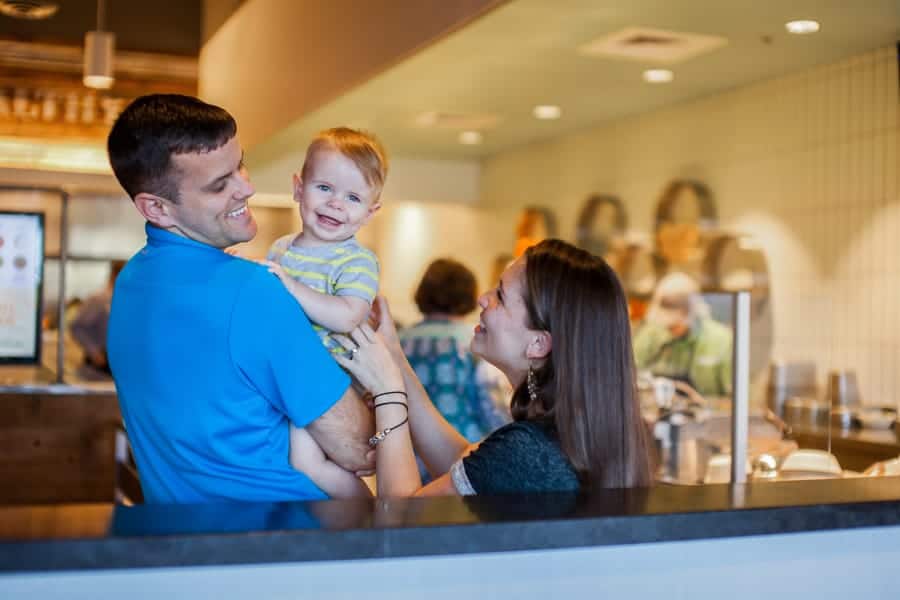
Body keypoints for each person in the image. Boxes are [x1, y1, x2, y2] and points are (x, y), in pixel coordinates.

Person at [105, 94, 373, 504]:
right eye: (220, 184)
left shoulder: (130, 284)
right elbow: (359, 444)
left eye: (240, 166)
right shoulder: (253, 290)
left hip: (185, 540)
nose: (246, 187)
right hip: (285, 541)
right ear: (157, 208)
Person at [336, 239, 653, 497]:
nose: (483, 299)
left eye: (500, 295)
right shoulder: (565, 437)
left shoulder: (527, 452)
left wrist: (389, 392)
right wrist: (393, 355)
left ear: (539, 344)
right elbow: (467, 463)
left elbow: (400, 522)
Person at [262, 127, 386, 498]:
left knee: (306, 462)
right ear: (299, 188)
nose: (336, 204)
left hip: (335, 382)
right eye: (324, 188)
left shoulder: (358, 261)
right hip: (290, 374)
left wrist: (293, 288)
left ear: (370, 212)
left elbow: (349, 315)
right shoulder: (281, 249)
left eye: (352, 197)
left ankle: (369, 514)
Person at [399, 258, 510, 443]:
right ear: (468, 294)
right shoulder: (477, 341)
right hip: (463, 455)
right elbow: (495, 408)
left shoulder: (399, 341)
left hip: (407, 454)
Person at [632, 272, 733, 397]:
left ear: (692, 313)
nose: (670, 329)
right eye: (668, 325)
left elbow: (734, 397)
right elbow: (630, 376)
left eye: (675, 324)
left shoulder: (720, 339)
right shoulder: (649, 335)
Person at [69, 260, 126, 377]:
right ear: (115, 275)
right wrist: (94, 352)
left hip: (119, 368)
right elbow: (77, 326)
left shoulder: (127, 300)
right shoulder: (98, 300)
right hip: (97, 370)